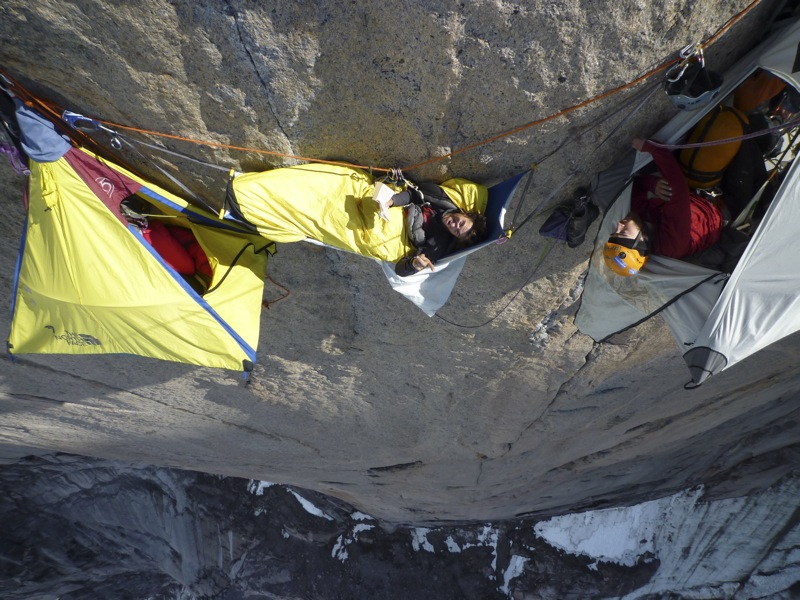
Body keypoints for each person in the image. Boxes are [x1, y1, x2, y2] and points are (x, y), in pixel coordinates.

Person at [604, 138, 724, 276]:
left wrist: (652, 184)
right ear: (641, 241)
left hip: (689, 199)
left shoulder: (637, 218)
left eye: (615, 232)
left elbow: (635, 185)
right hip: (714, 208)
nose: (619, 225)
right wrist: (654, 148)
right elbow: (678, 189)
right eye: (623, 232)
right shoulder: (672, 244)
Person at [389, 182, 487, 276]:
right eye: (461, 223)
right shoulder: (442, 199)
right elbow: (413, 194)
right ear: (466, 214)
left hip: (394, 227)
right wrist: (393, 201)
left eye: (457, 232)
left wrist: (413, 264)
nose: (454, 225)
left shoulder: (438, 245)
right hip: (394, 200)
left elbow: (400, 270)